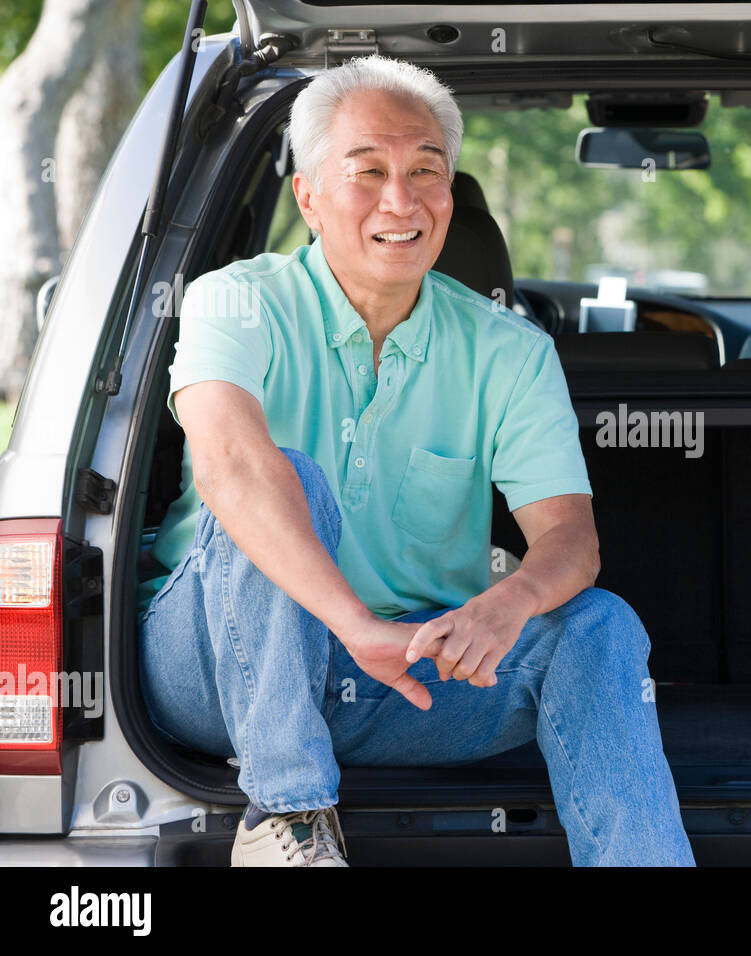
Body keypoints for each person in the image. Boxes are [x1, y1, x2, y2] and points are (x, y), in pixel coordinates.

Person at [136, 54, 694, 867]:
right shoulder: (237, 299)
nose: (401, 201)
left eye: (426, 172)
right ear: (310, 197)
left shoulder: (511, 350)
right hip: (215, 671)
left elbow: (571, 538)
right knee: (290, 479)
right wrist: (352, 624)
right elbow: (233, 467)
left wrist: (510, 603)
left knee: (600, 624)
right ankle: (291, 821)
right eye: (368, 172)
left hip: (403, 678)